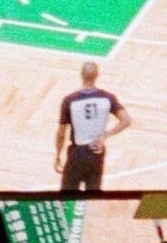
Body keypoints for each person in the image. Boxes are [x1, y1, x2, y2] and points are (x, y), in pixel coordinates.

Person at [53, 60, 131, 195]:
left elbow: (61, 133)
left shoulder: (69, 101)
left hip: (77, 154)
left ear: (81, 75)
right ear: (97, 75)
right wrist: (106, 135)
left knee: (67, 195)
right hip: (97, 152)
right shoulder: (107, 98)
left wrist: (58, 155)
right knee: (93, 196)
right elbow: (126, 120)